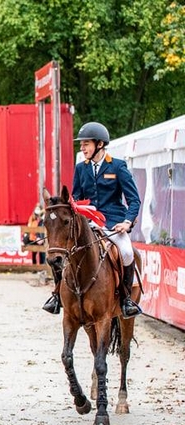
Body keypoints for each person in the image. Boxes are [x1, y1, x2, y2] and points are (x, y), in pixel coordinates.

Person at [42, 121, 142, 318]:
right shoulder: (81, 168)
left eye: (86, 144)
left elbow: (134, 200)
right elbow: (76, 199)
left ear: (100, 144)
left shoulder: (118, 166)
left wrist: (127, 222)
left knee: (127, 252)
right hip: (86, 223)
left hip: (113, 224)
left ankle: (126, 299)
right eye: (82, 144)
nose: (82, 147)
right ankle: (56, 295)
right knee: (61, 251)